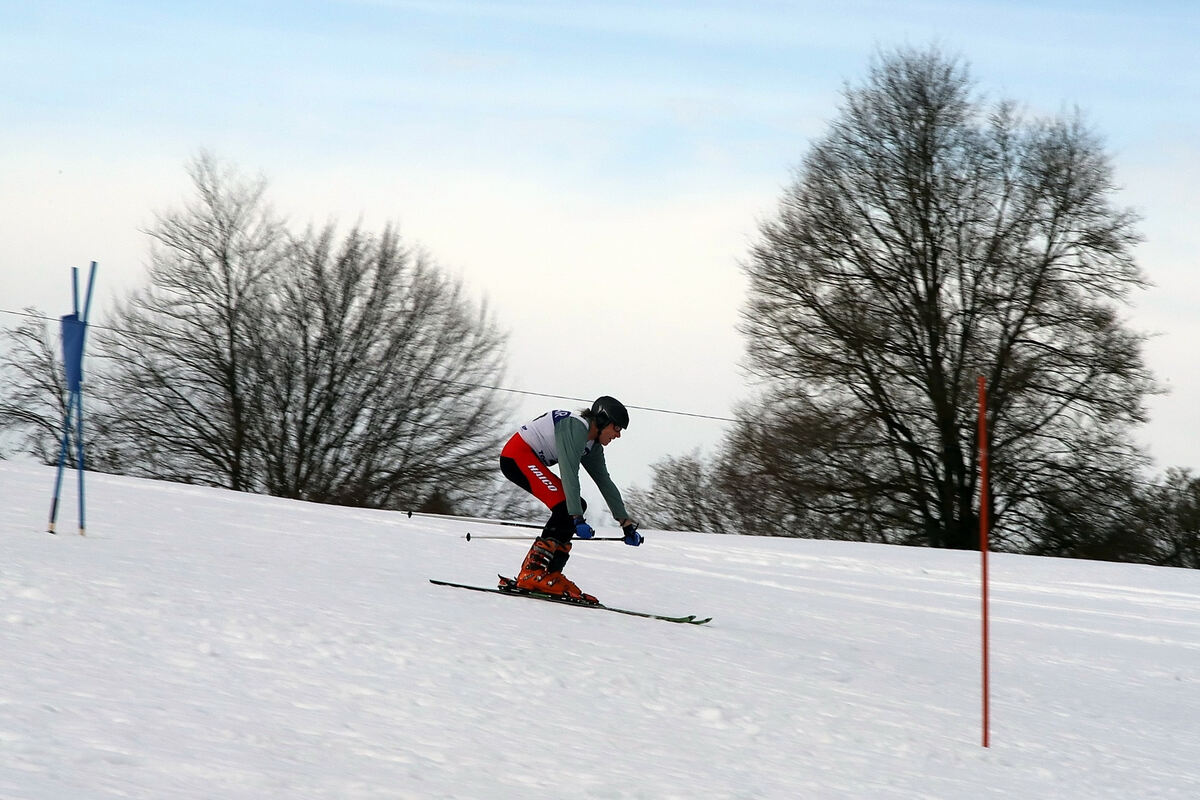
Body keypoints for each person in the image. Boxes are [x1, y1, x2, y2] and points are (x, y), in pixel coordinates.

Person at [498, 395, 643, 604]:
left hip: (528, 458)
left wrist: (625, 523)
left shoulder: (592, 445)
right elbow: (569, 473)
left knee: (575, 505)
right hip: (517, 456)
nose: (618, 435)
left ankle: (551, 573)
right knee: (568, 506)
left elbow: (605, 482)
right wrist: (577, 518)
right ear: (601, 420)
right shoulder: (576, 428)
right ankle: (532, 572)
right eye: (617, 428)